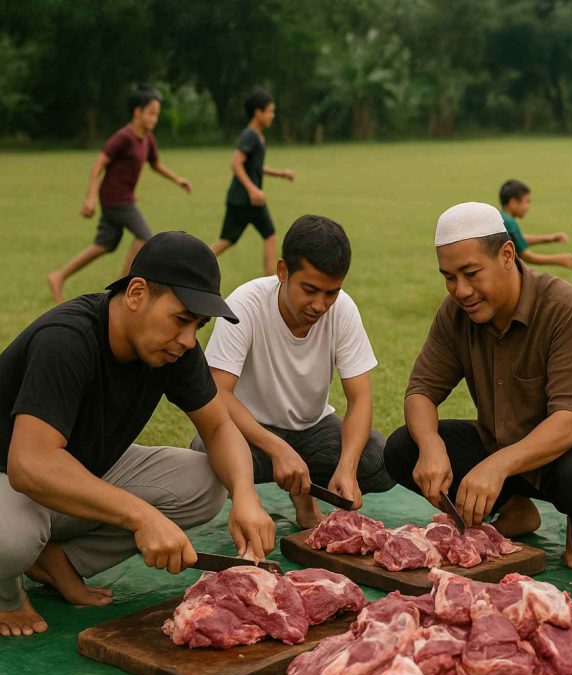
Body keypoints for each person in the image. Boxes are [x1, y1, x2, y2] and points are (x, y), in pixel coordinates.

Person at [1, 231, 276, 638]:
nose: (188, 339)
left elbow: (219, 425)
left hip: (75, 476)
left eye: (198, 325)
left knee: (205, 485)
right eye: (181, 319)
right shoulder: (66, 340)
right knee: (11, 540)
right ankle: (6, 591)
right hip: (11, 478)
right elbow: (29, 464)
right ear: (136, 293)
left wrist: (246, 495)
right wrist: (141, 516)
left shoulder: (175, 348)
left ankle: (59, 561)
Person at [383, 202, 572, 570]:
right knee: (402, 448)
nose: (461, 290)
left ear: (507, 255)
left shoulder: (566, 307)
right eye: (449, 277)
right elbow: (421, 391)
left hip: (570, 448)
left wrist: (495, 467)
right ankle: (517, 509)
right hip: (501, 442)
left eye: (471, 273)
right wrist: (431, 447)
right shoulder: (455, 313)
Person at [192, 215, 394, 529]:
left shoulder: (342, 309)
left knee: (380, 458)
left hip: (313, 431)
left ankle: (305, 495)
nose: (319, 304)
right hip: (251, 434)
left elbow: (360, 397)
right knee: (205, 459)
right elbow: (218, 391)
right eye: (310, 289)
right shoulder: (245, 305)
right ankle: (252, 503)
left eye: (331, 293)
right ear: (283, 271)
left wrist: (347, 468)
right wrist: (277, 448)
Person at [48, 85, 192, 303]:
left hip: (122, 198)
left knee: (104, 244)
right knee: (145, 236)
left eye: (157, 114)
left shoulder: (147, 139)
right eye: (151, 113)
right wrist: (90, 197)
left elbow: (155, 165)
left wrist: (177, 179)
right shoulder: (124, 137)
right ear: (137, 112)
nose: (155, 119)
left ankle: (59, 276)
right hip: (116, 198)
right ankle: (123, 288)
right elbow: (99, 164)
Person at [210, 88, 295, 275]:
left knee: (228, 240)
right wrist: (252, 190)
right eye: (270, 111)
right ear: (258, 112)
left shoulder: (257, 136)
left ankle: (195, 261)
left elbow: (254, 167)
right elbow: (236, 163)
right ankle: (271, 281)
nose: (273, 115)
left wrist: (281, 173)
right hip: (247, 199)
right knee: (270, 234)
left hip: (240, 199)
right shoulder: (250, 135)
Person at [498, 179, 572, 269]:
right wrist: (559, 259)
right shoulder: (510, 223)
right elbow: (525, 255)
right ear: (513, 202)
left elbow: (518, 240)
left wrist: (549, 238)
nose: (528, 206)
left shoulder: (501, 217)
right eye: (527, 201)